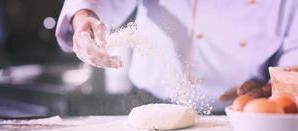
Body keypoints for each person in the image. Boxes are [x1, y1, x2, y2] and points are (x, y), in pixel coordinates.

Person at [56, 0, 298, 112]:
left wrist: (268, 90)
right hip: (150, 104)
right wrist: (83, 18)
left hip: (236, 116)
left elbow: (293, 62)